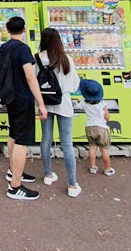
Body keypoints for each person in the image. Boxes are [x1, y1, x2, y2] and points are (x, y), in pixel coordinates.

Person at [0, 16, 48, 201]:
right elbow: (30, 77)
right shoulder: (23, 49)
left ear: (7, 30)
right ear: (25, 29)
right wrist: (41, 103)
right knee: (22, 140)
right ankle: (15, 187)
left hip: (10, 98)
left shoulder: (4, 48)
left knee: (13, 134)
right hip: (22, 99)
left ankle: (13, 172)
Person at [35, 27, 81, 198]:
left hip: (44, 103)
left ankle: (48, 174)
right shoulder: (66, 59)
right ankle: (72, 184)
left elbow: (33, 82)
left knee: (46, 139)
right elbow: (75, 84)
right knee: (67, 143)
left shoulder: (37, 59)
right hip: (64, 103)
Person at [79, 78, 115, 176]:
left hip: (89, 127)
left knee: (92, 147)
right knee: (104, 149)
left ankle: (93, 167)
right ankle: (107, 169)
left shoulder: (83, 102)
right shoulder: (102, 104)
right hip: (101, 128)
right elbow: (107, 117)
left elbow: (79, 104)